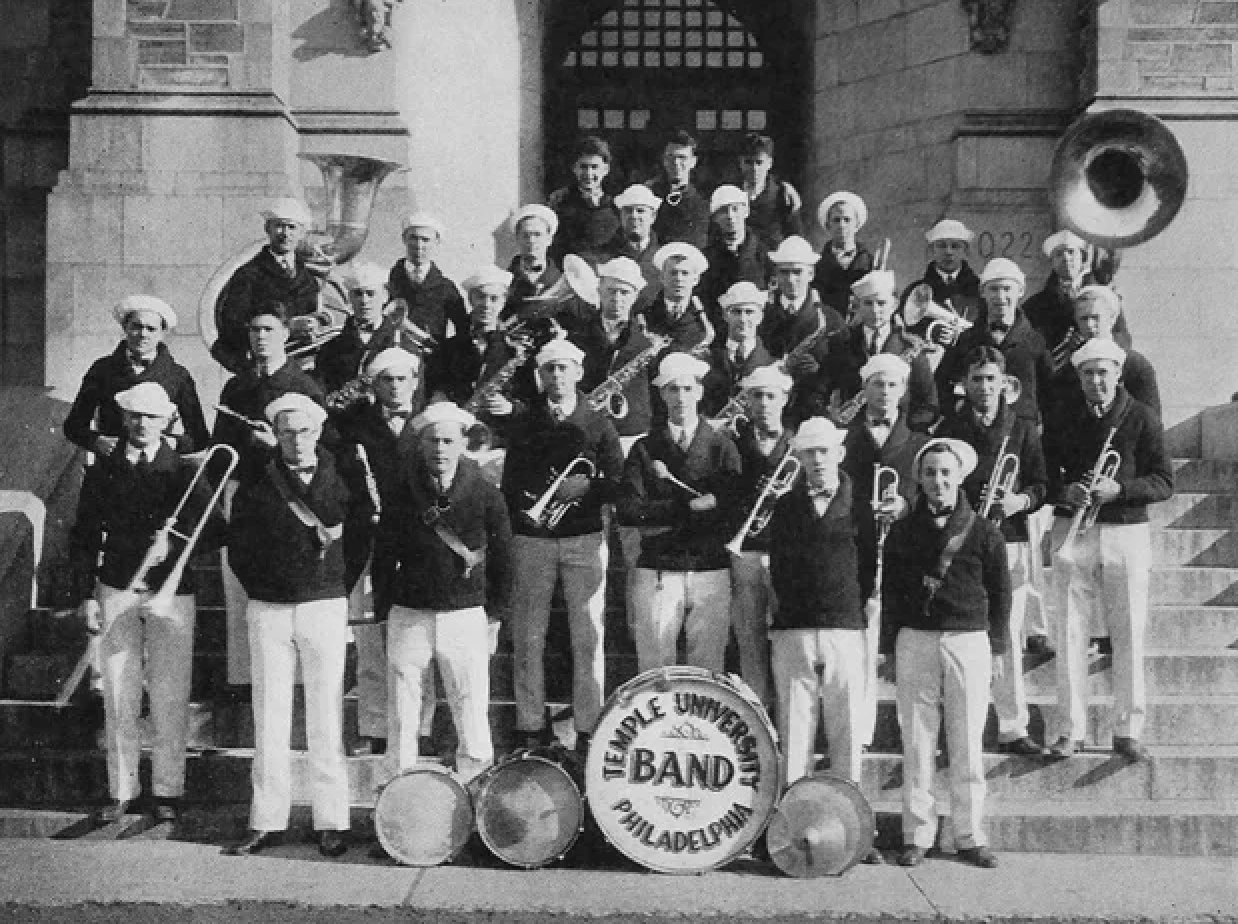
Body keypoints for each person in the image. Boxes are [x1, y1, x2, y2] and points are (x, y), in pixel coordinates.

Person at [67, 382, 223, 826]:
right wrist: (85, 596)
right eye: (133, 416)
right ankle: (123, 790)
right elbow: (83, 537)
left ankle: (168, 790)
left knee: (171, 692)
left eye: (151, 417)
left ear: (167, 421)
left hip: (170, 592)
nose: (141, 425)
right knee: (119, 691)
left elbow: (215, 532)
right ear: (122, 419)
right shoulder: (102, 470)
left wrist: (172, 545)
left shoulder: (186, 470)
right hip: (116, 585)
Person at [224, 394, 370, 858]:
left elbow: (363, 532)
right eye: (287, 432)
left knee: (326, 716)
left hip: (323, 603)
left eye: (305, 430)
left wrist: (335, 586)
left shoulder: (344, 472)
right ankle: (266, 820)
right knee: (270, 715)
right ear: (275, 435)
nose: (297, 440)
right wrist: (264, 588)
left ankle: (332, 821)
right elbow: (238, 546)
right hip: (269, 607)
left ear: (320, 429)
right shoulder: (255, 478)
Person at [488, 339, 624, 753]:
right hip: (534, 539)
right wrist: (533, 508)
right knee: (529, 635)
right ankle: (531, 722)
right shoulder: (525, 421)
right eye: (550, 370)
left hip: (583, 536)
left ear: (579, 373)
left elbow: (618, 479)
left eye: (565, 368)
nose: (557, 377)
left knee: (588, 635)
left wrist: (588, 486)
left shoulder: (598, 422)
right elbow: (510, 481)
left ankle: (588, 724)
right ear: (540, 376)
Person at [882, 437, 1011, 870]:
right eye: (931, 472)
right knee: (917, 739)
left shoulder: (985, 531)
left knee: (967, 741)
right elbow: (892, 595)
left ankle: (969, 835)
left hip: (968, 640)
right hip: (915, 638)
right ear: (918, 477)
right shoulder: (901, 532)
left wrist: (997, 647)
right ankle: (916, 834)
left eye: (946, 473)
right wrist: (888, 648)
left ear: (960, 478)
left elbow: (1001, 596)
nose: (938, 481)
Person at [1046, 338, 1173, 762]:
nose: (1096, 381)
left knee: (1129, 630)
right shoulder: (1064, 417)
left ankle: (1128, 729)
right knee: (1068, 632)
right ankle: (1069, 729)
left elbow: (1164, 481)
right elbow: (1044, 476)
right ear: (1079, 377)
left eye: (1103, 373)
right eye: (1088, 373)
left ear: (1118, 375)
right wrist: (1065, 491)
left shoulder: (1142, 417)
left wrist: (1120, 489)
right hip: (1075, 530)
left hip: (1125, 530)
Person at [372, 401, 513, 780]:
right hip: (410, 611)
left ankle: (476, 787)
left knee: (471, 707)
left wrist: (496, 615)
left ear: (462, 443)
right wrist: (385, 611)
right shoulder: (402, 493)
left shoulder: (486, 494)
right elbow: (383, 555)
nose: (439, 449)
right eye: (432, 441)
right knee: (403, 711)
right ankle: (398, 792)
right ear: (421, 445)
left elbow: (503, 558)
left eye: (448, 441)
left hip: (465, 613)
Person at [767, 417, 878, 866]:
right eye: (808, 453)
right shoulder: (785, 507)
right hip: (795, 626)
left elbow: (868, 567)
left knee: (846, 728)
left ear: (840, 454)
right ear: (798, 458)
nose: (816, 461)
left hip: (844, 627)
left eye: (824, 452)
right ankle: (792, 828)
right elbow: (778, 568)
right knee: (795, 729)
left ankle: (853, 832)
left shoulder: (861, 507)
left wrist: (845, 605)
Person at [936, 347, 1048, 755]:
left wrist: (1018, 502)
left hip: (1010, 541)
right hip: (963, 542)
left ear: (1005, 384)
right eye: (977, 379)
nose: (984, 388)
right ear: (965, 383)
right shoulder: (950, 426)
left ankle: (1013, 727)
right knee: (965, 636)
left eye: (991, 379)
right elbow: (939, 484)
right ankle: (965, 728)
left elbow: (1041, 485)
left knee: (1008, 634)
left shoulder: (1022, 428)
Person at [212, 300, 328, 688]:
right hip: (243, 490)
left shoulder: (304, 385)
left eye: (269, 330)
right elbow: (219, 445)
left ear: (284, 335)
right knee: (238, 582)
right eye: (255, 330)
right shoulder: (236, 386)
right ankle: (243, 679)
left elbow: (320, 447)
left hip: (289, 496)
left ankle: (290, 679)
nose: (261, 338)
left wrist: (274, 445)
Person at [332, 347, 429, 756]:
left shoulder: (429, 426)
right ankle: (373, 726)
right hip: (368, 540)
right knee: (370, 638)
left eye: (402, 379)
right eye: (386, 380)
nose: (395, 387)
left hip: (417, 541)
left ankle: (419, 729)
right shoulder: (353, 428)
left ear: (415, 382)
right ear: (374, 385)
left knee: (417, 640)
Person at [617, 352, 741, 671]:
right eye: (673, 389)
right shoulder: (644, 448)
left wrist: (662, 515)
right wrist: (690, 508)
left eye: (687, 389)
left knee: (708, 666)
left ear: (699, 392)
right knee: (656, 666)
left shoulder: (721, 447)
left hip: (709, 568)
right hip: (659, 568)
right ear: (662, 395)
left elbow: (730, 510)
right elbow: (631, 511)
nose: (681, 397)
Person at [841, 353, 927, 748]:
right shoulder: (842, 440)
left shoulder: (921, 444)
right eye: (878, 384)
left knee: (903, 643)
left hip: (903, 552)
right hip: (856, 548)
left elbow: (928, 495)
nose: (886, 392)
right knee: (859, 644)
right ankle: (859, 732)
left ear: (904, 391)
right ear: (865, 390)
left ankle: (913, 731)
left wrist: (905, 505)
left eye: (893, 385)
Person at [726, 365, 797, 711]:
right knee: (749, 640)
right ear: (747, 402)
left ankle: (787, 715)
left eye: (771, 396)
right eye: (757, 396)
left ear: (784, 400)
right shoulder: (733, 445)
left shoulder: (799, 446)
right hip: (747, 552)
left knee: (786, 639)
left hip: (787, 555)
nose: (765, 403)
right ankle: (756, 713)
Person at [65, 295, 210, 455]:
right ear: (125, 328)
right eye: (136, 326)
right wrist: (96, 441)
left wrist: (175, 443)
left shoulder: (178, 375)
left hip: (159, 470)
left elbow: (200, 436)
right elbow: (73, 426)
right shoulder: (102, 369)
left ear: (162, 333)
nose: (143, 334)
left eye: (151, 329)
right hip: (111, 466)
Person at [935, 258, 1052, 426]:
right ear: (983, 292)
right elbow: (942, 383)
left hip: (1022, 431)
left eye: (1007, 289)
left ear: (1020, 291)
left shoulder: (1036, 341)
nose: (1000, 297)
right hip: (976, 428)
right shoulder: (967, 340)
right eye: (994, 289)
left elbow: (1051, 393)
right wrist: (957, 408)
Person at [815, 271, 938, 431]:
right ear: (857, 305)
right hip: (852, 435)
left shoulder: (911, 347)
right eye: (868, 303)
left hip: (898, 435)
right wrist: (830, 423)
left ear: (894, 305)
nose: (875, 310)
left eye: (881, 303)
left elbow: (929, 405)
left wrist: (903, 430)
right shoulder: (841, 344)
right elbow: (817, 392)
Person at [213, 198, 321, 373]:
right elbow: (232, 326)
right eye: (279, 226)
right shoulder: (248, 273)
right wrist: (287, 327)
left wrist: (315, 324)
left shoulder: (308, 276)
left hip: (302, 366)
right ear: (267, 229)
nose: (285, 234)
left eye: (292, 227)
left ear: (302, 233)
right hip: (263, 367)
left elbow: (313, 312)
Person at [385, 213, 469, 400]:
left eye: (426, 239)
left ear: (437, 242)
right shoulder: (387, 283)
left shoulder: (446, 287)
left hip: (433, 366)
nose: (419, 246)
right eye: (413, 238)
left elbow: (463, 330)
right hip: (396, 364)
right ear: (404, 239)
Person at [1022, 230, 1131, 364]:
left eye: (1071, 252)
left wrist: (1100, 339)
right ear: (1052, 262)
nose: (1066, 258)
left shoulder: (1106, 297)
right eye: (1059, 254)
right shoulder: (1035, 305)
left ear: (1083, 257)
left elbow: (1123, 338)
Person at [315, 261, 407, 399]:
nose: (364, 301)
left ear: (385, 296)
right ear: (349, 297)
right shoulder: (330, 349)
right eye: (358, 294)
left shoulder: (404, 345)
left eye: (371, 294)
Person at [698, 185, 769, 341]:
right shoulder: (706, 259)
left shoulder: (765, 254)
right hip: (720, 338)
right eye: (723, 211)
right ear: (715, 218)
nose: (730, 216)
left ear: (746, 212)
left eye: (735, 209)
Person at [762, 235, 846, 361]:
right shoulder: (760, 315)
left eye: (797, 272)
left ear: (811, 274)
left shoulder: (832, 320)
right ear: (776, 274)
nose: (790, 280)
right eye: (784, 272)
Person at [701, 281, 775, 419]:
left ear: (760, 317)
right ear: (725, 316)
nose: (743, 319)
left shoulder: (772, 365)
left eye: (749, 312)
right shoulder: (707, 360)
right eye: (736, 312)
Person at [899, 219, 983, 336]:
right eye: (941, 246)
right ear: (932, 250)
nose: (948, 252)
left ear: (965, 250)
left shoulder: (980, 289)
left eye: (955, 246)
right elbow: (905, 330)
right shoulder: (914, 290)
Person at [548, 136, 620, 263]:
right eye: (583, 167)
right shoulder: (560, 202)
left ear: (605, 170)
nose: (588, 174)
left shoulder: (616, 203)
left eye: (594, 167)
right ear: (574, 168)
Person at [593, 184, 663, 305]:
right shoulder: (602, 256)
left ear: (653, 217)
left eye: (640, 211)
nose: (634, 216)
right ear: (621, 216)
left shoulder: (663, 259)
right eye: (628, 211)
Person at [637, 242, 712, 353]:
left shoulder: (707, 319)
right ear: (662, 277)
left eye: (685, 273)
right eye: (673, 273)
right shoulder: (644, 316)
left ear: (696, 280)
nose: (679, 279)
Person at [812, 191, 875, 321]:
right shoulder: (817, 265)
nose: (841, 225)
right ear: (828, 225)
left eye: (847, 220)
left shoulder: (871, 262)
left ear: (856, 225)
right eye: (836, 220)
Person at [737, 132, 803, 251]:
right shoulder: (732, 192)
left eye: (759, 162)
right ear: (740, 163)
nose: (754, 169)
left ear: (769, 163)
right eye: (748, 162)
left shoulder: (782, 195)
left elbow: (795, 238)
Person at [648, 130, 710, 250]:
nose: (676, 163)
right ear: (664, 160)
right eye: (671, 157)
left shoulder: (702, 202)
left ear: (693, 162)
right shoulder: (650, 195)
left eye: (682, 158)